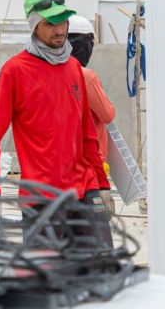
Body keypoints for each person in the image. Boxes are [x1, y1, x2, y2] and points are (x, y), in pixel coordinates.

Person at [0, 0, 113, 245]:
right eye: (51, 23)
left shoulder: (73, 67)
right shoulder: (15, 71)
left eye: (63, 20)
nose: (60, 29)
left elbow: (86, 133)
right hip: (42, 197)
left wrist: (102, 184)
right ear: (34, 25)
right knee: (46, 278)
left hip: (85, 189)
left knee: (101, 272)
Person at [67, 16, 116, 218]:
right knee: (93, 235)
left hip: (63, 167)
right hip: (89, 167)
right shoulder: (86, 76)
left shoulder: (52, 73)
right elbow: (107, 114)